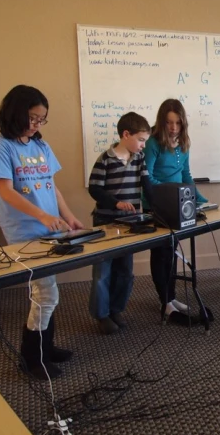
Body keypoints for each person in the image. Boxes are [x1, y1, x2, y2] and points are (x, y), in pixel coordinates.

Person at [0, 85, 84, 379]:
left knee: (46, 290)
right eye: (33, 117)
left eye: (42, 119)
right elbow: (6, 191)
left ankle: (45, 348)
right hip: (24, 230)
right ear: (15, 113)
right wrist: (42, 214)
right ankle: (31, 358)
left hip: (49, 227)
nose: (37, 124)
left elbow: (52, 187)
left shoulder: (41, 147)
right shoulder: (1, 147)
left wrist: (69, 217)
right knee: (45, 291)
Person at [87, 112, 153, 334]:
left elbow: (147, 184)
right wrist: (116, 204)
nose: (143, 145)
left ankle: (116, 309)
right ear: (126, 134)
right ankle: (102, 314)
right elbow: (95, 189)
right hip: (105, 221)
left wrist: (159, 205)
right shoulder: (105, 159)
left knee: (125, 270)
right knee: (103, 272)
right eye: (141, 140)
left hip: (130, 223)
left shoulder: (138, 159)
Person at [145, 99, 208, 319]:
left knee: (172, 253)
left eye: (178, 123)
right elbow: (148, 178)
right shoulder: (153, 143)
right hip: (158, 205)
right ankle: (165, 301)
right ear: (162, 122)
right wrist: (171, 194)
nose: (173, 128)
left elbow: (185, 175)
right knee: (161, 253)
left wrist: (200, 199)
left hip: (178, 206)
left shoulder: (183, 143)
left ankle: (171, 298)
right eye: (169, 123)